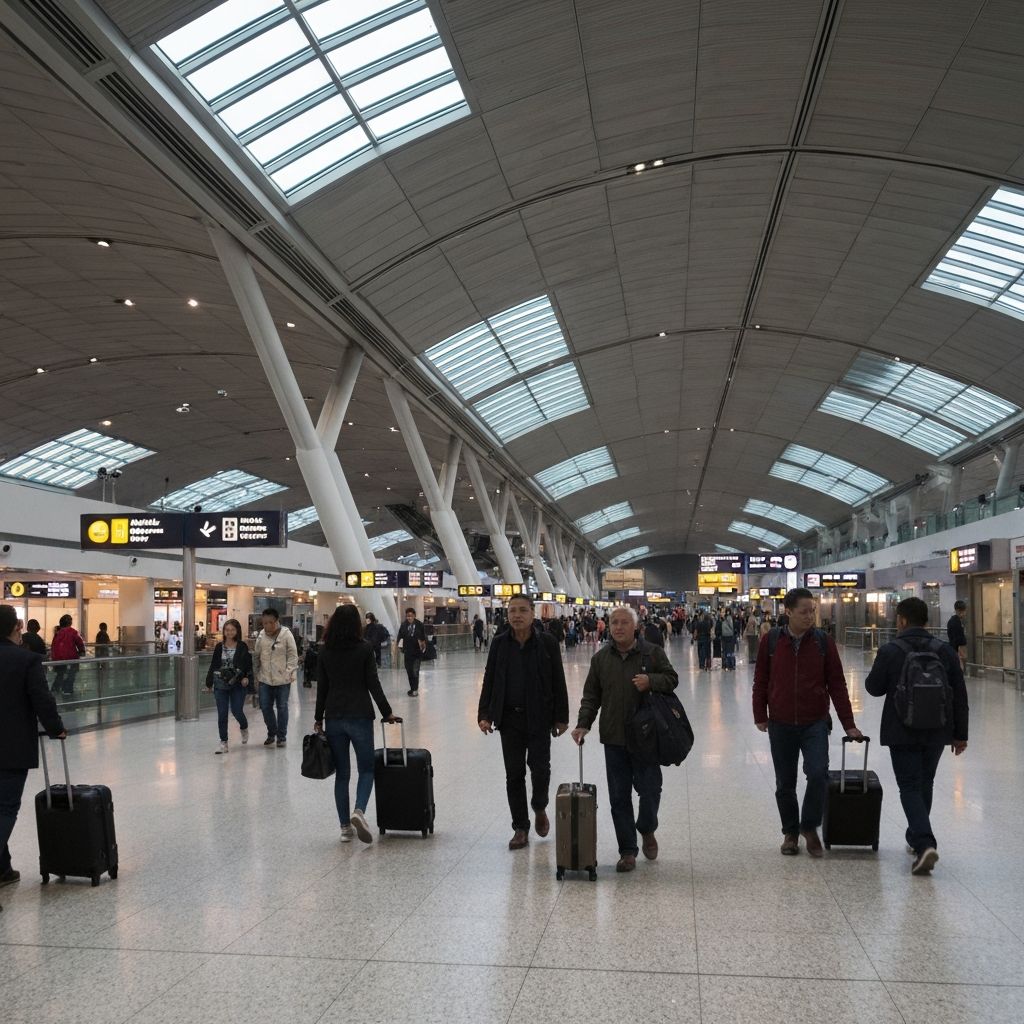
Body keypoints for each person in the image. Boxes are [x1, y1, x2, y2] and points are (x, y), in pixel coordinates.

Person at [753, 587, 863, 857]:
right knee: (785, 783)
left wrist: (848, 723)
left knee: (818, 774)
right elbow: (761, 680)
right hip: (780, 722)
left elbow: (837, 684)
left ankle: (809, 825)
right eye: (804, 612)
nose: (809, 616)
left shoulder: (823, 642)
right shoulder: (771, 641)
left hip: (815, 721)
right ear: (788, 612)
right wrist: (760, 715)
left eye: (812, 611)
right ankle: (790, 833)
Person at [865, 597, 969, 875]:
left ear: (901, 620)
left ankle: (924, 844)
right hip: (938, 729)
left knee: (909, 786)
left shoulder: (891, 650)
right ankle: (915, 837)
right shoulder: (945, 651)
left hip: (902, 729)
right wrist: (960, 735)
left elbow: (873, 688)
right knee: (925, 782)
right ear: (926, 620)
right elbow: (960, 695)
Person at [572, 605, 679, 873]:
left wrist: (651, 680)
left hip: (646, 736)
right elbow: (591, 696)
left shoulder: (652, 653)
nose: (618, 627)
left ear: (636, 627)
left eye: (624, 622)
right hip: (614, 737)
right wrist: (583, 724)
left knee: (650, 789)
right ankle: (627, 851)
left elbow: (672, 679)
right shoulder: (600, 659)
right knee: (619, 797)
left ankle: (647, 828)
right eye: (614, 623)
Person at [478, 594, 569, 850]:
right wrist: (484, 714)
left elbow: (558, 679)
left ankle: (539, 806)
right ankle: (520, 827)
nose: (517, 615)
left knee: (540, 769)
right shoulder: (499, 643)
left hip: (539, 717)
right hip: (509, 719)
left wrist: (562, 716)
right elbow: (490, 678)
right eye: (512, 611)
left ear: (532, 613)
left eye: (522, 610)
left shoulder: (547, 643)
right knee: (514, 774)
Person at [0, 604, 66, 908]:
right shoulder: (26, 660)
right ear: (16, 628)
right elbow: (42, 699)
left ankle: (3, 869)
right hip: (11, 748)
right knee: (5, 808)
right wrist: (56, 729)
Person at [314, 605, 397, 844]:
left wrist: (318, 718)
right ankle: (359, 811)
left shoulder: (325, 650)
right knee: (366, 769)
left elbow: (322, 688)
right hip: (360, 715)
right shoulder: (365, 649)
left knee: (342, 774)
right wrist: (387, 712)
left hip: (334, 717)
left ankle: (344, 828)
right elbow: (373, 683)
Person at [204, 618, 252, 754]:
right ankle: (223, 742)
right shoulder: (219, 647)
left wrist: (246, 677)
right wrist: (209, 683)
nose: (229, 632)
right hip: (220, 684)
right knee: (222, 713)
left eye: (232, 630)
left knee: (237, 710)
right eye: (227, 630)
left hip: (237, 684)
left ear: (237, 631)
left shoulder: (242, 646)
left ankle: (244, 727)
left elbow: (247, 664)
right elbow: (214, 665)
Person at [252, 608, 297, 747]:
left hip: (283, 680)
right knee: (265, 707)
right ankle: (272, 732)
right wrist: (256, 675)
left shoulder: (286, 634)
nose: (267, 626)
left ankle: (281, 736)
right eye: (265, 623)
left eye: (270, 622)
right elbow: (256, 656)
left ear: (277, 621)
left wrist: (288, 672)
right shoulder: (261, 636)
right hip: (265, 679)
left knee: (282, 707)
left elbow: (293, 656)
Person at [50, 614, 85, 697]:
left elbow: (53, 645)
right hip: (71, 658)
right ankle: (67, 690)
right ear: (70, 622)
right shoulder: (73, 632)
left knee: (60, 674)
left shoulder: (58, 633)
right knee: (71, 674)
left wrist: (53, 657)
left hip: (58, 659)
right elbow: (79, 642)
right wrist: (82, 651)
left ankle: (55, 688)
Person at [398, 607, 426, 696]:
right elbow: (400, 637)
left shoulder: (419, 625)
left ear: (414, 616)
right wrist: (400, 646)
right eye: (407, 616)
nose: (409, 617)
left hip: (417, 652)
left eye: (410, 616)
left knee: (415, 671)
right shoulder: (403, 625)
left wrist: (422, 645)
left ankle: (415, 690)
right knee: (409, 670)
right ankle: (412, 688)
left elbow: (423, 637)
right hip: (407, 652)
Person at [946, 600, 968, 668]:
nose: (965, 613)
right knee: (960, 669)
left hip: (954, 650)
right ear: (958, 611)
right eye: (964, 611)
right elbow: (958, 640)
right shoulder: (956, 623)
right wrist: (962, 654)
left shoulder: (952, 621)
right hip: (957, 652)